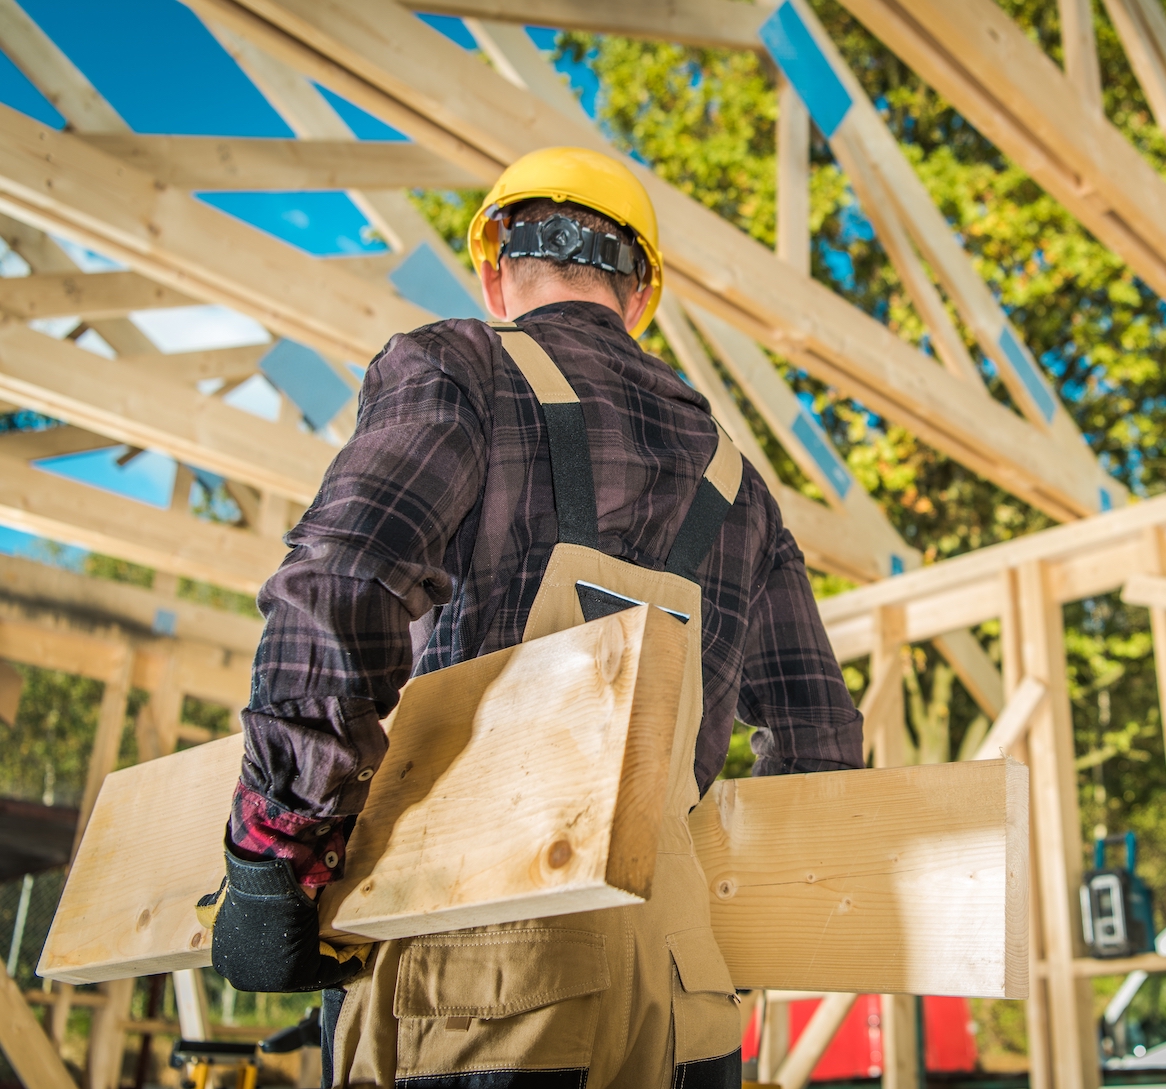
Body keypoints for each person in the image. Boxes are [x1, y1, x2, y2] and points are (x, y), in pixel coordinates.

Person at [200, 146, 865, 1089]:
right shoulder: (741, 486)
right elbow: (821, 746)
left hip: (475, 981)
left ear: (495, 270)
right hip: (689, 1011)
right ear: (640, 296)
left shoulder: (459, 368)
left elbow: (342, 586)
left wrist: (275, 853)